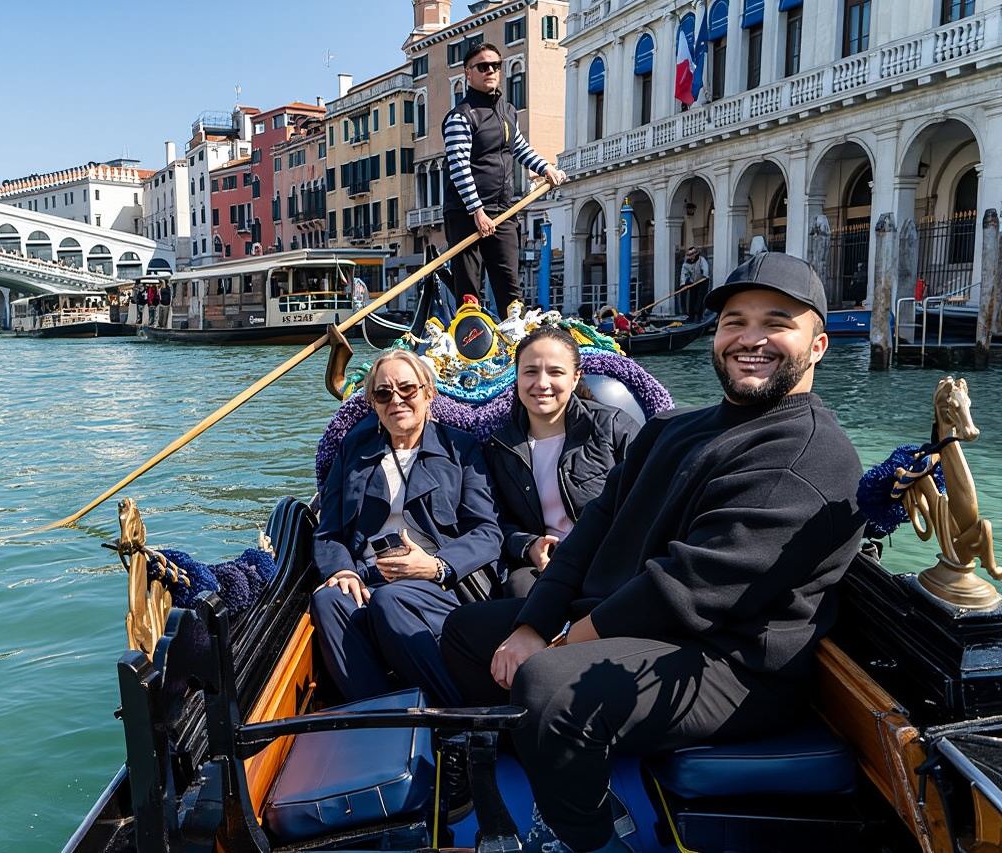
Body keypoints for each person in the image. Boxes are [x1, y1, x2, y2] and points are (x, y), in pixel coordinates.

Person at [441, 252, 865, 853]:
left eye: (775, 322)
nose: (750, 339)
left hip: (733, 662)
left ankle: (584, 833)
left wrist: (558, 640)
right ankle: (569, 771)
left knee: (546, 685)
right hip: (640, 626)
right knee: (466, 632)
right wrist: (533, 621)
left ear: (817, 345)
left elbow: (686, 590)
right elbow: (595, 528)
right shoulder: (673, 428)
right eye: (733, 322)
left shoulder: (808, 455)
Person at [312, 349, 502, 707]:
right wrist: (342, 569)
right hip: (368, 577)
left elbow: (487, 532)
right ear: (373, 403)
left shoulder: (461, 449)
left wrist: (437, 566)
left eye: (407, 390)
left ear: (428, 392)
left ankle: (454, 711)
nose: (396, 400)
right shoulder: (353, 450)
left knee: (391, 598)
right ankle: (382, 714)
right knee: (327, 599)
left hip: (440, 583)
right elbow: (328, 530)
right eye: (383, 393)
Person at [485, 327, 639, 598]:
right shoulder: (501, 446)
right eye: (530, 372)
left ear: (575, 377)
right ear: (517, 377)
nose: (542, 383)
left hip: (608, 559)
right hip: (544, 566)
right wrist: (530, 545)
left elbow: (645, 504)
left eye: (555, 372)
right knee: (520, 589)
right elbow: (497, 520)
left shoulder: (614, 427)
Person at [443, 42, 565, 313]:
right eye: (483, 66)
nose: (490, 71)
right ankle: (469, 345)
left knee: (510, 285)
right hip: (466, 214)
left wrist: (546, 168)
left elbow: (519, 148)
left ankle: (517, 341)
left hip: (503, 210)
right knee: (469, 290)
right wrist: (477, 212)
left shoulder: (507, 112)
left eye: (495, 66)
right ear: (468, 72)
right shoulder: (460, 117)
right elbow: (459, 167)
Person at [679, 245, 711, 321]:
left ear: (695, 254)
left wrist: (703, 276)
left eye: (692, 255)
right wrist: (683, 284)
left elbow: (705, 270)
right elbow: (683, 274)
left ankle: (699, 315)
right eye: (689, 255)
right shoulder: (686, 264)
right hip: (693, 283)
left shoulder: (701, 260)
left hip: (703, 281)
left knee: (700, 298)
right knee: (692, 298)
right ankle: (691, 316)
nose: (691, 257)